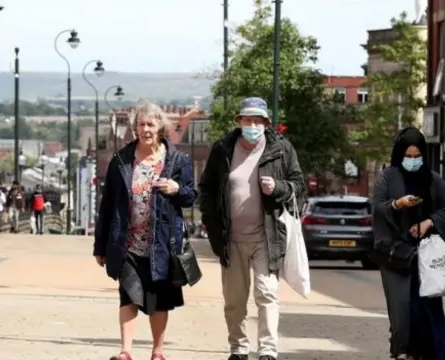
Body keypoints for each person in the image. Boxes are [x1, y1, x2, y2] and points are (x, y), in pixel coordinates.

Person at [198, 97, 305, 360]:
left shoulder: (281, 149)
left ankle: (268, 351)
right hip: (230, 238)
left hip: (267, 236)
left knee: (267, 293)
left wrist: (278, 188)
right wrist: (211, 222)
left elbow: (298, 184)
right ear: (239, 121)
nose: (253, 125)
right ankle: (239, 348)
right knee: (234, 300)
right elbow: (207, 189)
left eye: (258, 120)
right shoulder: (223, 149)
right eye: (248, 120)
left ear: (266, 123)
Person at [94, 100, 197, 360]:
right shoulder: (121, 161)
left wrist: (176, 189)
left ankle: (157, 351)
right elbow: (107, 206)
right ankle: (126, 351)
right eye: (141, 124)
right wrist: (100, 246)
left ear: (160, 126)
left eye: (150, 123)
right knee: (128, 294)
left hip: (163, 243)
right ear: (135, 128)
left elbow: (190, 197)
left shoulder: (177, 160)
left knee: (160, 299)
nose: (145, 129)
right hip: (127, 242)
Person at [372, 127, 445, 360]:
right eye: (408, 156)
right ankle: (402, 349)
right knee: (400, 310)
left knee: (425, 311)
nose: (413, 161)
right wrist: (398, 204)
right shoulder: (388, 177)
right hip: (395, 255)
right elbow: (378, 207)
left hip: (425, 257)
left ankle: (421, 353)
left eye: (416, 156)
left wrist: (428, 222)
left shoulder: (433, 180)